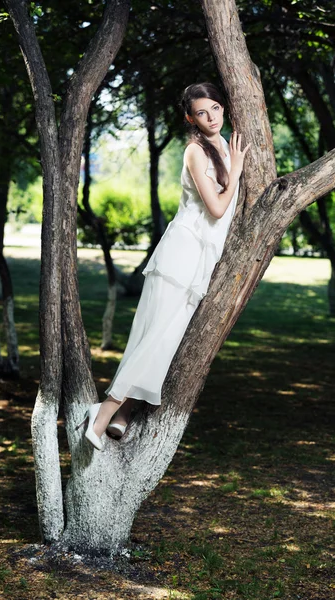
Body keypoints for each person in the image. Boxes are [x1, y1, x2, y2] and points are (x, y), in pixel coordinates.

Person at [76, 82, 251, 450]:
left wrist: (232, 167)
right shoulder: (195, 151)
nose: (211, 117)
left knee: (167, 342)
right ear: (190, 118)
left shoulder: (224, 144)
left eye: (215, 108)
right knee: (154, 337)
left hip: (202, 259)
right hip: (180, 256)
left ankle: (125, 413)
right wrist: (235, 173)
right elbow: (217, 209)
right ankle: (103, 413)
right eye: (202, 113)